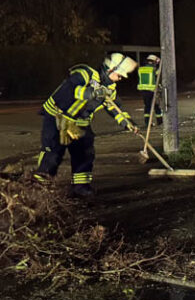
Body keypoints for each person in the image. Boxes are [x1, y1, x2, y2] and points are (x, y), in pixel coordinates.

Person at [35, 53, 139, 197]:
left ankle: (81, 187)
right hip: (57, 117)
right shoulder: (85, 74)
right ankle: (39, 186)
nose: (121, 78)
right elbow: (69, 90)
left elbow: (116, 109)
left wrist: (128, 123)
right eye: (119, 75)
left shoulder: (110, 90)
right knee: (53, 153)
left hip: (79, 123)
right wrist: (91, 92)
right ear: (110, 69)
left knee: (84, 154)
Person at [137, 53, 163, 126]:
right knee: (156, 106)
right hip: (152, 90)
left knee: (147, 106)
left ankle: (147, 122)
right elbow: (158, 76)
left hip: (143, 90)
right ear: (153, 62)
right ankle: (160, 121)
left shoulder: (141, 69)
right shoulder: (154, 69)